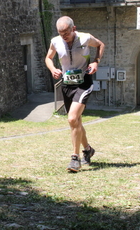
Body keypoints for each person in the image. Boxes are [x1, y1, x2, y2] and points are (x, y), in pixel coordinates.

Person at [45, 16, 105, 172]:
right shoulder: (55, 41)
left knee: (72, 118)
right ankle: (88, 149)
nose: (63, 36)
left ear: (73, 28)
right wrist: (52, 69)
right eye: (60, 33)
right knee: (76, 121)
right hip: (67, 84)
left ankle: (75, 158)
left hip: (83, 83)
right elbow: (48, 57)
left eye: (66, 33)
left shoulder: (85, 38)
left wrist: (96, 61)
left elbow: (100, 45)